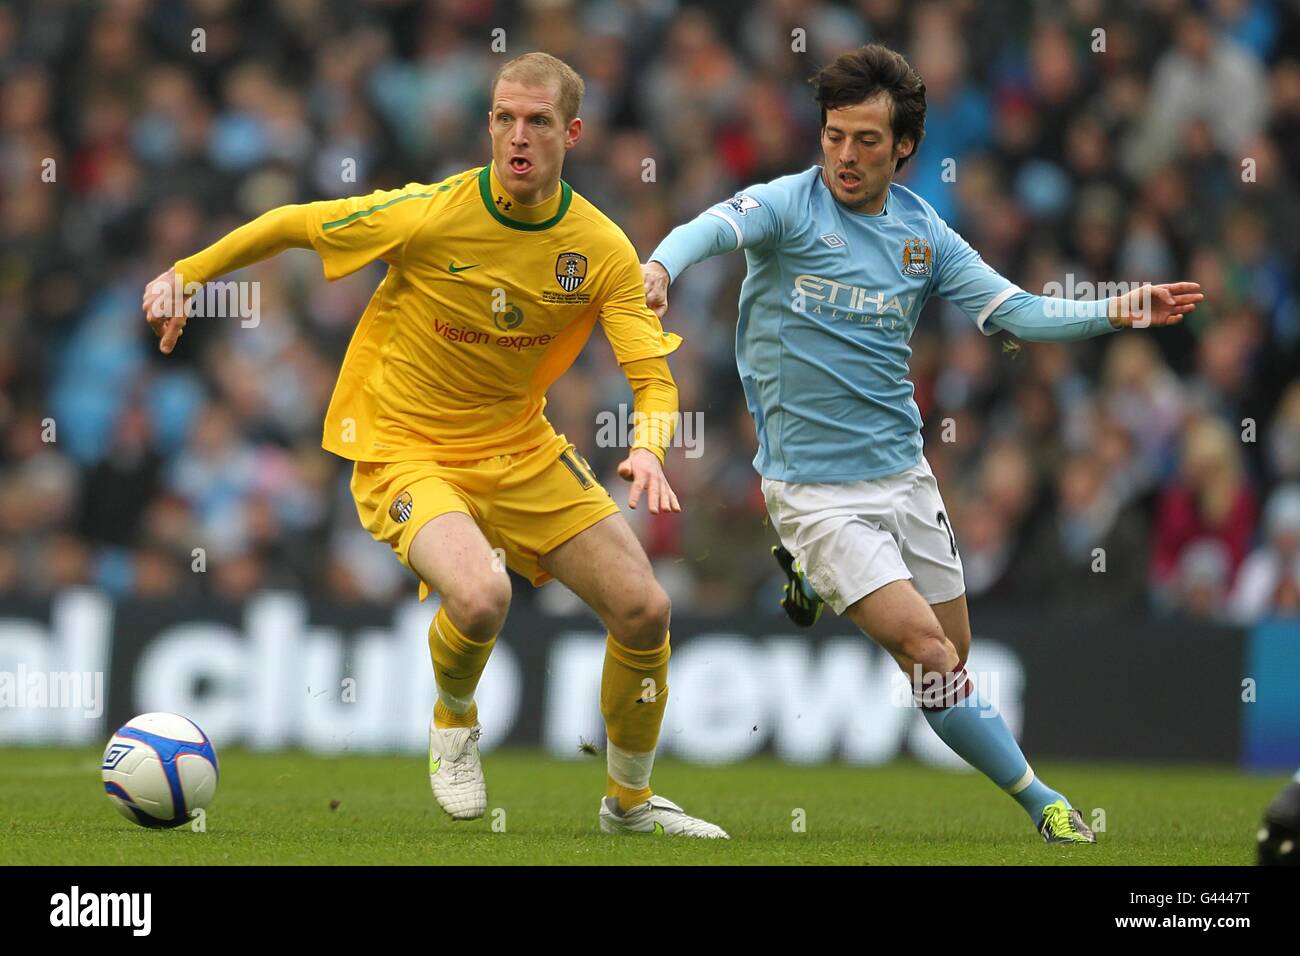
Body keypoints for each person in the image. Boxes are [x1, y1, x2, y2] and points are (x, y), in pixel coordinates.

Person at [143, 52, 726, 839]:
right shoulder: (427, 212)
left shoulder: (602, 249)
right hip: (404, 447)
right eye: (504, 118)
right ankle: (455, 721)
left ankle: (628, 805)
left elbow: (652, 381)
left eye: (538, 122)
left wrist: (651, 448)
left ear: (572, 133)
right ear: (489, 124)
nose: (518, 137)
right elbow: (292, 223)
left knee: (646, 608)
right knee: (484, 594)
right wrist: (188, 272)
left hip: (519, 448)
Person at [644, 44, 1203, 843]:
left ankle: (805, 578)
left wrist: (1113, 311)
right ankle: (1045, 803)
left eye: (867, 140)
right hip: (812, 491)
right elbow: (707, 227)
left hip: (905, 476)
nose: (844, 154)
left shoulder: (923, 234)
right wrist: (662, 267)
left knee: (949, 660)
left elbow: (1015, 312)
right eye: (834, 134)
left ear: (904, 147)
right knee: (931, 654)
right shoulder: (786, 205)